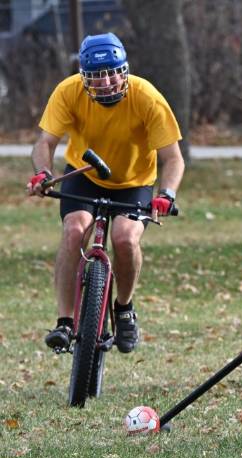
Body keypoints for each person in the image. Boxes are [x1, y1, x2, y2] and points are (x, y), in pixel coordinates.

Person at [26, 32, 185, 354]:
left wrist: (166, 195)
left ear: (124, 70)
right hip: (83, 176)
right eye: (97, 76)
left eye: (113, 72)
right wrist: (43, 173)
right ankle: (64, 322)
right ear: (84, 76)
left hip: (134, 182)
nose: (107, 82)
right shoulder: (68, 92)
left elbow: (173, 158)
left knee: (125, 239)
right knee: (73, 231)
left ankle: (124, 308)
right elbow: (45, 143)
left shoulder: (147, 97)